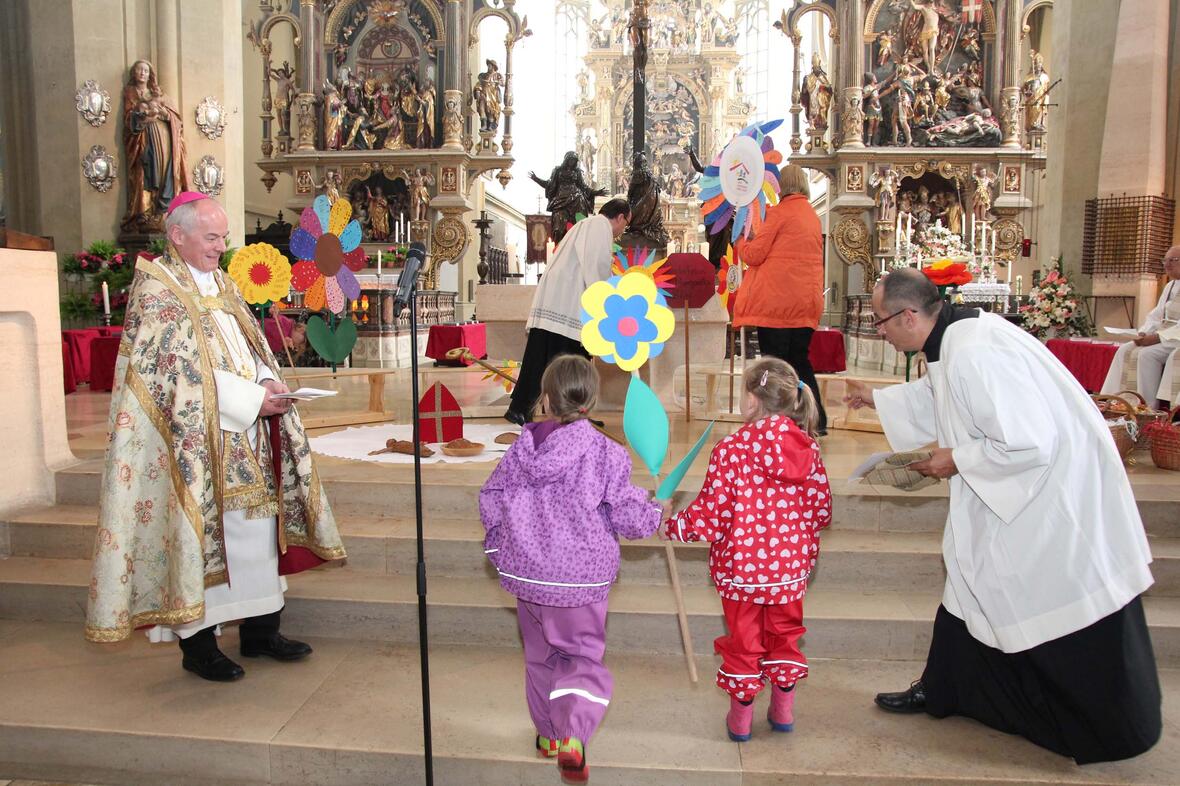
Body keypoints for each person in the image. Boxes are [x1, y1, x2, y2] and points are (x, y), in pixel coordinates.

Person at [843, 268, 1160, 764]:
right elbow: (946, 397)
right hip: (1012, 489)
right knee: (967, 580)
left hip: (1047, 498)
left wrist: (954, 460)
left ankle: (1105, 724)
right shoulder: (956, 337)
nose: (878, 330)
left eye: (881, 321)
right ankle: (946, 690)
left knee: (1041, 593)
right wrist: (877, 398)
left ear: (909, 316)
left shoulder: (975, 352)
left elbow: (1029, 441)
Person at [85, 192, 347, 682]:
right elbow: (176, 375)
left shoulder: (223, 284)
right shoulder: (159, 292)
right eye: (212, 237)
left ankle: (261, 628)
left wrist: (268, 382)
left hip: (249, 434)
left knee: (256, 535)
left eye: (224, 236)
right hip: (197, 445)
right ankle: (199, 644)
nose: (221, 246)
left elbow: (246, 348)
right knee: (205, 537)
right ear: (177, 236)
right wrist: (250, 400)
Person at [480, 355, 665, 784]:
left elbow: (491, 499)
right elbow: (625, 514)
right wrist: (655, 512)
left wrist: (500, 549)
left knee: (539, 656)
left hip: (529, 577)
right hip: (580, 580)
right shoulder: (606, 453)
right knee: (580, 658)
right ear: (592, 399)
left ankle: (546, 734)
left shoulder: (521, 449)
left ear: (545, 399)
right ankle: (573, 735)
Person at [664, 358, 831, 742]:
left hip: (740, 571)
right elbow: (821, 512)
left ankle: (740, 719)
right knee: (785, 634)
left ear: (752, 401)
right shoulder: (807, 448)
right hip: (789, 570)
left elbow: (710, 516)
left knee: (744, 642)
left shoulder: (731, 448)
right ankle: (783, 709)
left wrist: (672, 525)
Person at [504, 197, 631, 425]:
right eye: (625, 224)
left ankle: (521, 408)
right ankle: (573, 416)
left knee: (541, 357)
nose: (622, 230)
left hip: (558, 301)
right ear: (620, 217)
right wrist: (607, 301)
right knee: (573, 363)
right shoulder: (600, 227)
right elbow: (596, 267)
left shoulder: (587, 224)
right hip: (568, 304)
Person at [734, 164, 828, 434]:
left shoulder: (779, 213)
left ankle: (773, 420)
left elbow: (755, 255)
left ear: (782, 185)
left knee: (773, 367)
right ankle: (816, 420)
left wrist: (741, 241)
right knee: (800, 362)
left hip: (776, 305)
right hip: (806, 303)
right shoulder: (812, 216)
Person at [1101, 246, 1180, 408]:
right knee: (1125, 350)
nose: (1167, 264)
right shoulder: (1170, 286)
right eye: (1165, 260)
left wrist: (1157, 337)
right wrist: (1144, 332)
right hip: (1164, 335)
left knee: (1147, 355)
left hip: (1175, 338)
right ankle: (1114, 401)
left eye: (1173, 260)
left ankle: (1147, 407)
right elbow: (1157, 315)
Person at [121, 60, 189, 232]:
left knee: (164, 170)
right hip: (144, 138)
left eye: (146, 70)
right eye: (139, 70)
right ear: (134, 73)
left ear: (150, 74)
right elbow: (129, 118)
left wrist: (162, 112)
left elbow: (176, 119)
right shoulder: (130, 92)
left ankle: (162, 209)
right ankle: (145, 211)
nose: (143, 73)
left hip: (163, 137)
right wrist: (141, 115)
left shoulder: (159, 94)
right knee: (145, 171)